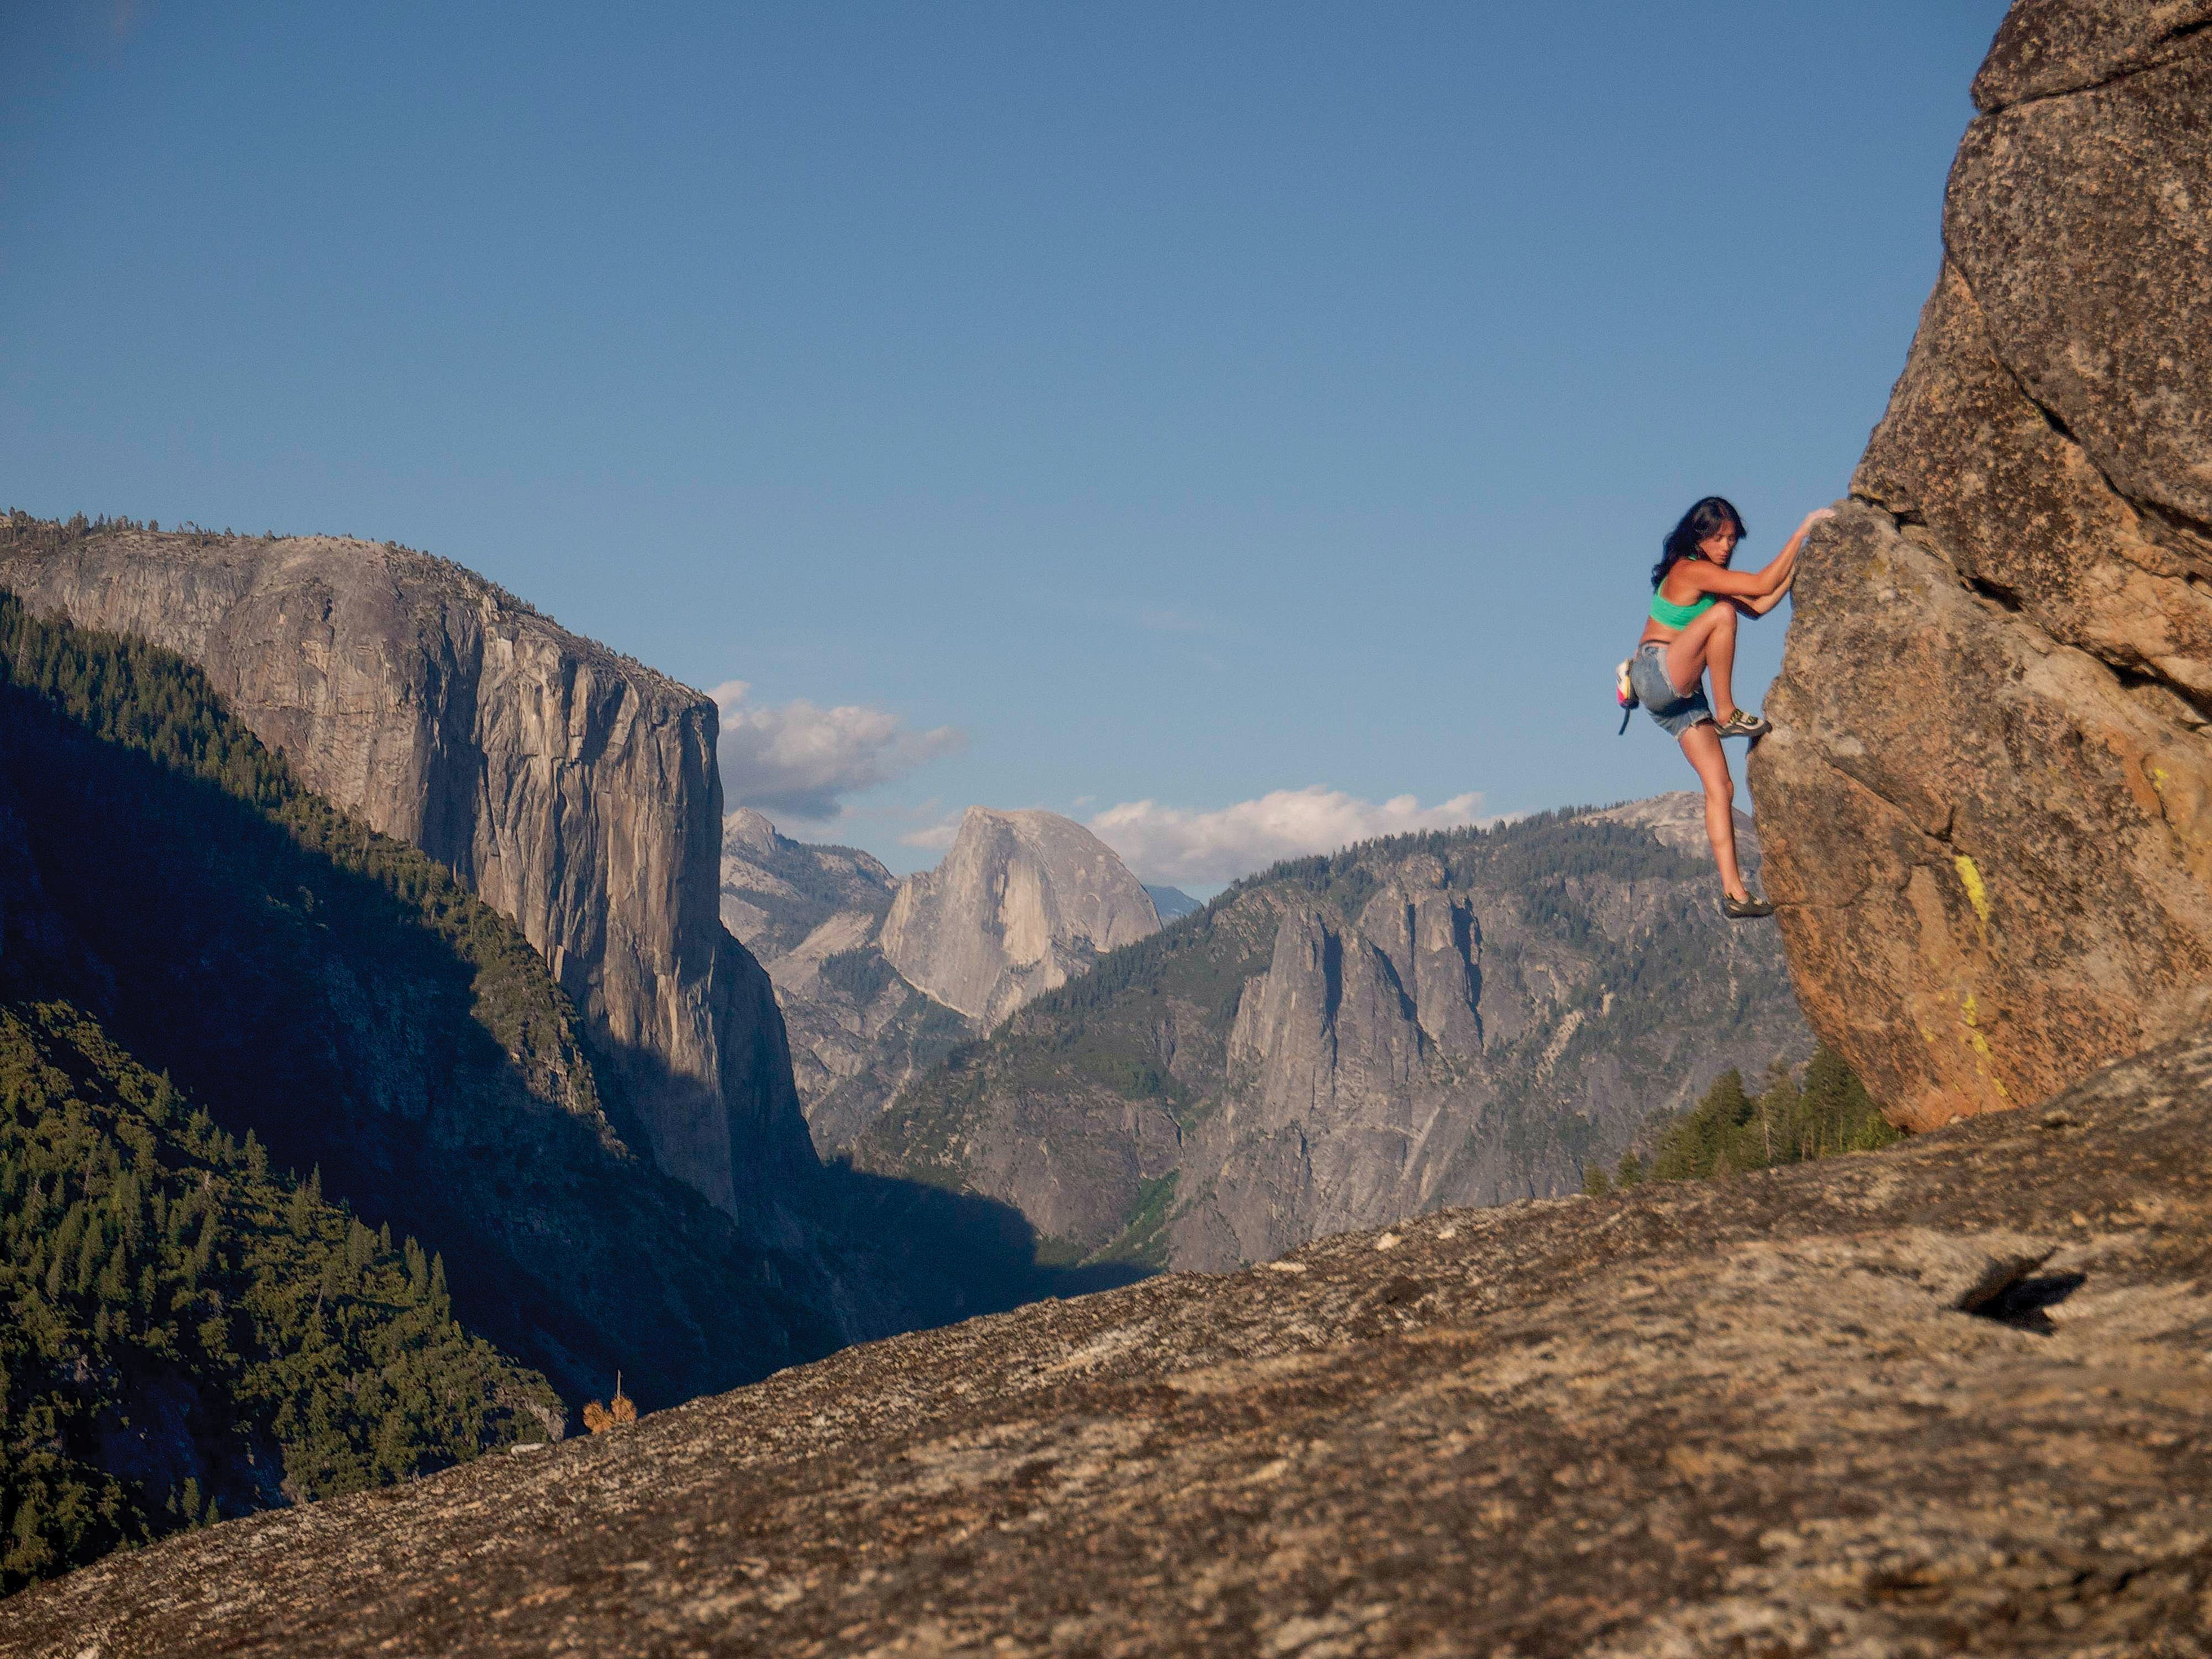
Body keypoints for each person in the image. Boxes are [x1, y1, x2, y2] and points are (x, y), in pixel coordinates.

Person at [1626, 496, 1833, 919]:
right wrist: (1801, 532)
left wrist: (1801, 562)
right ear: (1697, 536)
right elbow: (1756, 586)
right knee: (1722, 614)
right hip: (1658, 668)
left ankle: (1735, 894)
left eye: (1732, 539)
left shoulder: (1711, 579)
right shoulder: (1689, 569)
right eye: (1718, 537)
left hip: (1679, 696)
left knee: (1721, 787)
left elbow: (1758, 605)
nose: (1725, 546)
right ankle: (1727, 713)